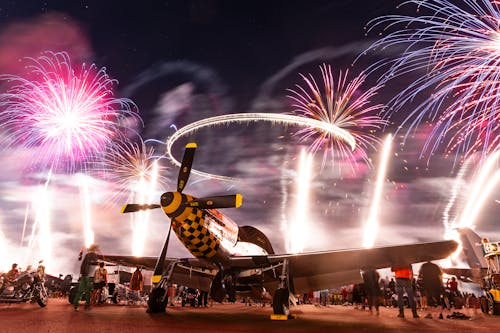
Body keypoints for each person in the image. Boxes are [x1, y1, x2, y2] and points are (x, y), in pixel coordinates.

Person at [73, 244, 100, 311]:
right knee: (88, 291)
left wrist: (82, 274)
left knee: (80, 291)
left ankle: (76, 304)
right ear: (95, 249)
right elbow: (93, 263)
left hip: (84, 275)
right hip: (89, 276)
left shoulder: (87, 255)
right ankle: (87, 305)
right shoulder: (94, 256)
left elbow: (82, 263)